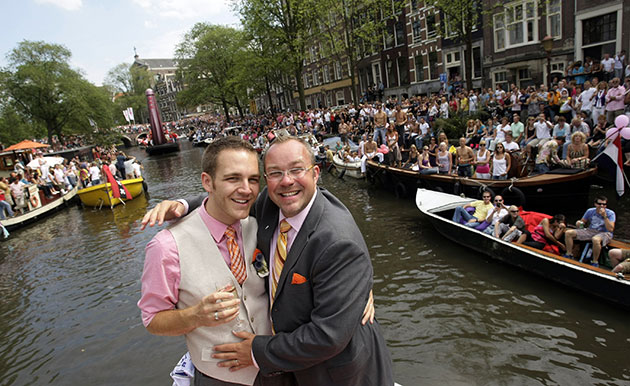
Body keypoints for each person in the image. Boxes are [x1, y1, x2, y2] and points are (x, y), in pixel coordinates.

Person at [141, 136, 393, 386]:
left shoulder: (336, 239)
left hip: (324, 372)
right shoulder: (266, 207)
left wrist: (356, 288)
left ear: (316, 173)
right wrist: (194, 316)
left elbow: (329, 335)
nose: (286, 181)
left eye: (296, 170)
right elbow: (152, 319)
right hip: (223, 377)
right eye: (274, 173)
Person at [564, 196, 615, 267]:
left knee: (595, 240)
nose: (602, 206)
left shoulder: (610, 213)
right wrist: (579, 223)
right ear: (595, 204)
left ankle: (595, 261)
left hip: (605, 232)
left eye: (604, 204)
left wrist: (605, 216)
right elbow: (582, 222)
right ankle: (569, 254)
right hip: (591, 230)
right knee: (568, 233)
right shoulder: (590, 211)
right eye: (599, 204)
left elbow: (610, 229)